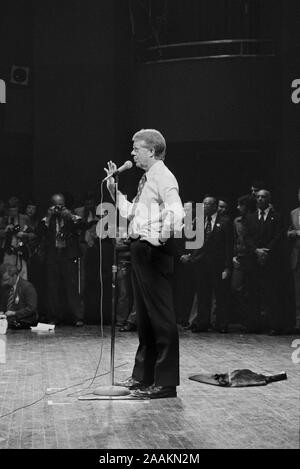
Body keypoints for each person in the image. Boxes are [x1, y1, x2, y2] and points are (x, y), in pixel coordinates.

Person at [104, 129, 184, 399]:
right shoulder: (147, 179)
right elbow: (134, 214)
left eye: (136, 148)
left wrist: (156, 239)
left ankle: (165, 382)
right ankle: (143, 376)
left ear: (151, 150)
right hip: (139, 250)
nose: (132, 152)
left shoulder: (163, 176)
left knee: (160, 317)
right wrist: (115, 192)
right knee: (146, 317)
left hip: (151, 252)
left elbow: (178, 214)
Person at [186, 195, 233, 333]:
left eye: (209, 204)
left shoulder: (225, 222)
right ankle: (202, 323)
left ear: (215, 206)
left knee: (220, 295)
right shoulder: (199, 220)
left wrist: (227, 266)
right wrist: (191, 256)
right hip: (201, 263)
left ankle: (221, 324)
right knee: (202, 294)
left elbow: (228, 247)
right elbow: (193, 241)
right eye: (204, 204)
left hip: (217, 264)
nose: (205, 206)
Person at [40, 193, 84, 326]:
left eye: (61, 205)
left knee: (71, 287)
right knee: (53, 287)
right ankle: (54, 316)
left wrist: (69, 215)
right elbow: (40, 231)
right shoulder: (48, 219)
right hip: (53, 256)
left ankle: (77, 317)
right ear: (51, 206)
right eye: (56, 205)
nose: (59, 208)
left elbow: (82, 225)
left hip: (68, 255)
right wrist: (49, 216)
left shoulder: (70, 216)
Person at [0, 263, 38, 329]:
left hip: (24, 322)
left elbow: (32, 308)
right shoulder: (5, 288)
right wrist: (1, 312)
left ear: (14, 276)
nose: (5, 282)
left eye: (7, 279)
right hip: (8, 321)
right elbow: (2, 305)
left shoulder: (27, 287)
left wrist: (15, 313)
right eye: (4, 280)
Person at [287, 187, 300, 331]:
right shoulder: (294, 213)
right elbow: (289, 231)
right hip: (297, 256)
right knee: (298, 292)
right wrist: (293, 233)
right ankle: (298, 323)